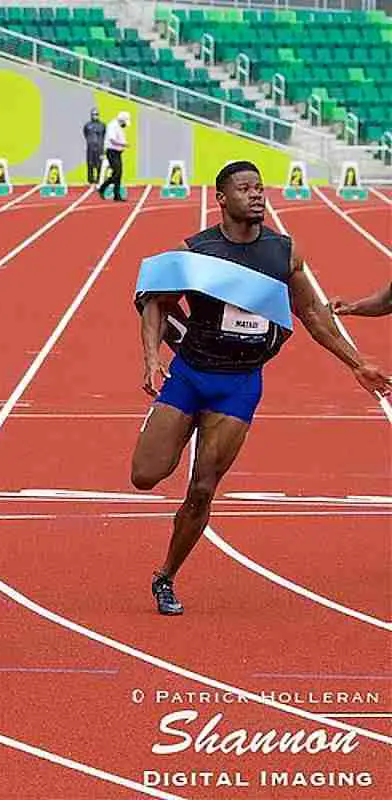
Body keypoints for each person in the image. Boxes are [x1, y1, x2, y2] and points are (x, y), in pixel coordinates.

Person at [130, 161, 391, 616]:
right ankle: (172, 438)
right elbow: (156, 303)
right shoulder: (197, 251)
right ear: (222, 199)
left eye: (259, 187)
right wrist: (153, 358)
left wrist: (356, 364)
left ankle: (166, 576)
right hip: (190, 375)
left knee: (203, 487)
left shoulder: (283, 253)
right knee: (145, 476)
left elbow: (313, 314)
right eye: (245, 188)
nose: (256, 195)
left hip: (240, 384)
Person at [98, 111, 129, 202]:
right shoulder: (113, 125)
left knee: (118, 174)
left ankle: (116, 195)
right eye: (125, 122)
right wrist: (124, 144)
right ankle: (102, 188)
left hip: (117, 152)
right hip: (112, 152)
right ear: (122, 120)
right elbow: (112, 140)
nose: (125, 125)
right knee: (117, 173)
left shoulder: (118, 126)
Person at [83, 108, 106, 185]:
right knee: (90, 163)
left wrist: (101, 144)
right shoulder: (87, 125)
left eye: (96, 114)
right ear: (91, 115)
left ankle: (99, 179)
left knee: (100, 163)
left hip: (100, 148)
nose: (95, 116)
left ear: (98, 115)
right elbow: (85, 134)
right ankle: (90, 180)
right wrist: (90, 141)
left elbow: (104, 135)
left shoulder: (102, 125)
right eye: (93, 114)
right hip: (90, 148)